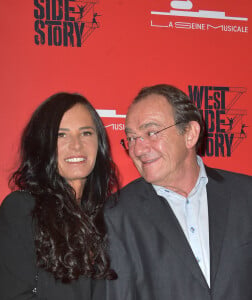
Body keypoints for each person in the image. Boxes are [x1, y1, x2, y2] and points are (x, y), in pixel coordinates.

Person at [105, 84, 252, 300]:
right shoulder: (117, 215)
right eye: (132, 138)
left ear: (190, 134)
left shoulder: (246, 195)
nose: (138, 149)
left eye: (151, 132)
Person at [0, 93, 118, 299]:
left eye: (86, 133)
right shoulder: (22, 209)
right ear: (43, 143)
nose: (76, 145)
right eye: (61, 135)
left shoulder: (111, 213)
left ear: (99, 142)